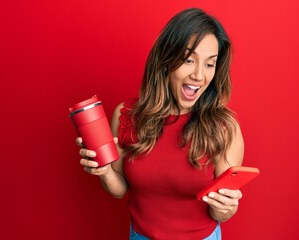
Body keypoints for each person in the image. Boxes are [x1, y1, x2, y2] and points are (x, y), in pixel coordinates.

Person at [76, 8, 244, 240]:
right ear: (166, 61)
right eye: (188, 60)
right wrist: (105, 171)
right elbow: (120, 189)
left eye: (209, 64)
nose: (199, 75)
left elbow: (220, 212)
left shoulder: (225, 128)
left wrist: (226, 207)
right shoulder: (127, 116)